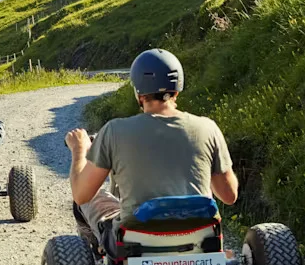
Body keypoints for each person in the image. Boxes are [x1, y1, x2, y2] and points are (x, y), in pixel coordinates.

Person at [65, 48, 239, 252]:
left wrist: (80, 149)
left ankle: (95, 250)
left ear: (138, 92)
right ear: (178, 87)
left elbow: (81, 194)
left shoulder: (114, 131)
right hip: (201, 237)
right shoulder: (208, 128)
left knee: (93, 199)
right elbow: (229, 195)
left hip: (134, 242)